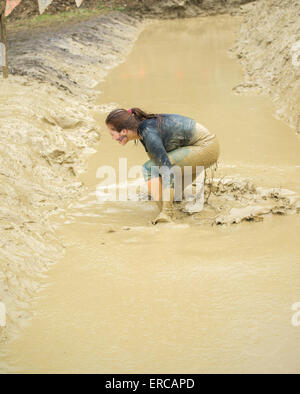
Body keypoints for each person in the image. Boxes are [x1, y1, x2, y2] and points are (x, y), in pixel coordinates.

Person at [105, 108, 220, 224]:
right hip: (196, 148)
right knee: (168, 192)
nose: (112, 138)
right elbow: (158, 161)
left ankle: (167, 215)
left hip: (205, 147)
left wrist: (165, 211)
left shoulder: (148, 133)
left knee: (148, 168)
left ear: (123, 131)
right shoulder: (142, 130)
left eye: (112, 134)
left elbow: (165, 170)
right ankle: (169, 207)